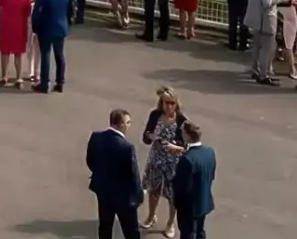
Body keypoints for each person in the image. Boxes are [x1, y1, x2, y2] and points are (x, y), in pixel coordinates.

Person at [87, 107, 144, 239]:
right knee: (130, 229)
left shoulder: (96, 137)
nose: (129, 126)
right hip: (123, 195)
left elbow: (90, 160)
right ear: (122, 124)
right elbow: (133, 174)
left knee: (105, 225)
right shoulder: (126, 147)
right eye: (128, 123)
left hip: (103, 189)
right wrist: (139, 195)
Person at [138, 88, 187, 238]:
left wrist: (175, 147)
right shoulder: (155, 115)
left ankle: (170, 223)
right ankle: (151, 216)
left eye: (172, 103)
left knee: (173, 195)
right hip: (156, 158)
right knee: (153, 190)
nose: (169, 106)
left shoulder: (181, 120)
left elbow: (187, 146)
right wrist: (150, 136)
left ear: (177, 104)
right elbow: (145, 137)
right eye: (166, 103)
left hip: (173, 161)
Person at [166, 122, 216, 239]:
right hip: (204, 201)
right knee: (200, 231)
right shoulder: (209, 152)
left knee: (188, 234)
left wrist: (177, 204)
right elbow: (211, 175)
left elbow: (180, 188)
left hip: (189, 208)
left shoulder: (187, 160)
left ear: (187, 135)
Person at [33, 0, 74, 93]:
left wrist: (35, 27)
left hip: (45, 28)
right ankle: (60, 82)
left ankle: (44, 84)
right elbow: (70, 10)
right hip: (61, 27)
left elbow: (36, 12)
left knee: (45, 55)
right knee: (59, 54)